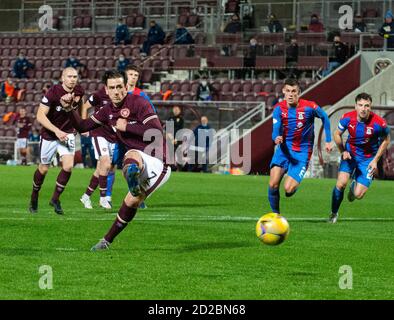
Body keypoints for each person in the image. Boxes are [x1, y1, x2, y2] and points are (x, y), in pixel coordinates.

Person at [64, 70, 171, 251]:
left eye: (119, 87)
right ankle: (106, 241)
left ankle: (132, 176)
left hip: (159, 160)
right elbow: (82, 126)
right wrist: (69, 110)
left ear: (125, 86)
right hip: (138, 159)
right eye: (112, 88)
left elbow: (156, 132)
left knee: (131, 157)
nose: (116, 91)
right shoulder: (107, 111)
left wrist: (127, 126)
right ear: (106, 90)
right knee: (131, 202)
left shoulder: (139, 103)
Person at [268, 78, 332, 214]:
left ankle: (293, 183)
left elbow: (325, 117)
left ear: (299, 93)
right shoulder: (278, 109)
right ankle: (276, 215)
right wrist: (276, 138)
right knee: (273, 184)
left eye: (294, 91)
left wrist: (328, 140)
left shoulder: (310, 107)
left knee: (288, 190)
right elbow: (275, 131)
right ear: (283, 92)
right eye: (288, 91)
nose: (290, 94)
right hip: (284, 150)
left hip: (302, 152)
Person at [28, 67, 84, 215]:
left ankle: (55, 199)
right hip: (50, 135)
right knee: (44, 169)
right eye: (69, 76)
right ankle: (34, 195)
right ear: (62, 78)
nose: (73, 79)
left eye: (75, 76)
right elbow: (40, 116)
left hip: (67, 134)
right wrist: (56, 131)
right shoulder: (53, 92)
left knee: (68, 166)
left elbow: (80, 105)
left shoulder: (79, 91)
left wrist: (81, 123)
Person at [329, 93, 390, 223]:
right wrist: (343, 151)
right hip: (350, 154)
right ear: (356, 106)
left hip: (368, 159)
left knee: (358, 195)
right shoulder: (347, 118)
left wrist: (375, 160)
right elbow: (337, 133)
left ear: (370, 107)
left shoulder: (379, 123)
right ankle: (333, 214)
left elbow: (386, 140)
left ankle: (354, 187)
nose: (363, 108)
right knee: (340, 184)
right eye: (361, 105)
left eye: (367, 106)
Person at [80, 72, 118, 210]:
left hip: (112, 136)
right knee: (106, 165)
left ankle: (86, 196)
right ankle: (103, 198)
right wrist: (84, 125)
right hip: (99, 133)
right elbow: (85, 106)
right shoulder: (98, 95)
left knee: (100, 169)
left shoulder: (119, 95)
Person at [166, 105, 184, 170]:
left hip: (178, 139)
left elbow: (181, 130)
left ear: (179, 111)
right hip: (170, 139)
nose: (176, 111)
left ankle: (180, 168)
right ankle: (172, 167)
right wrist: (172, 139)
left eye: (177, 109)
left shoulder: (181, 119)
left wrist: (176, 139)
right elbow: (168, 130)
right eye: (174, 109)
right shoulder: (170, 119)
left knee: (179, 153)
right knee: (171, 153)